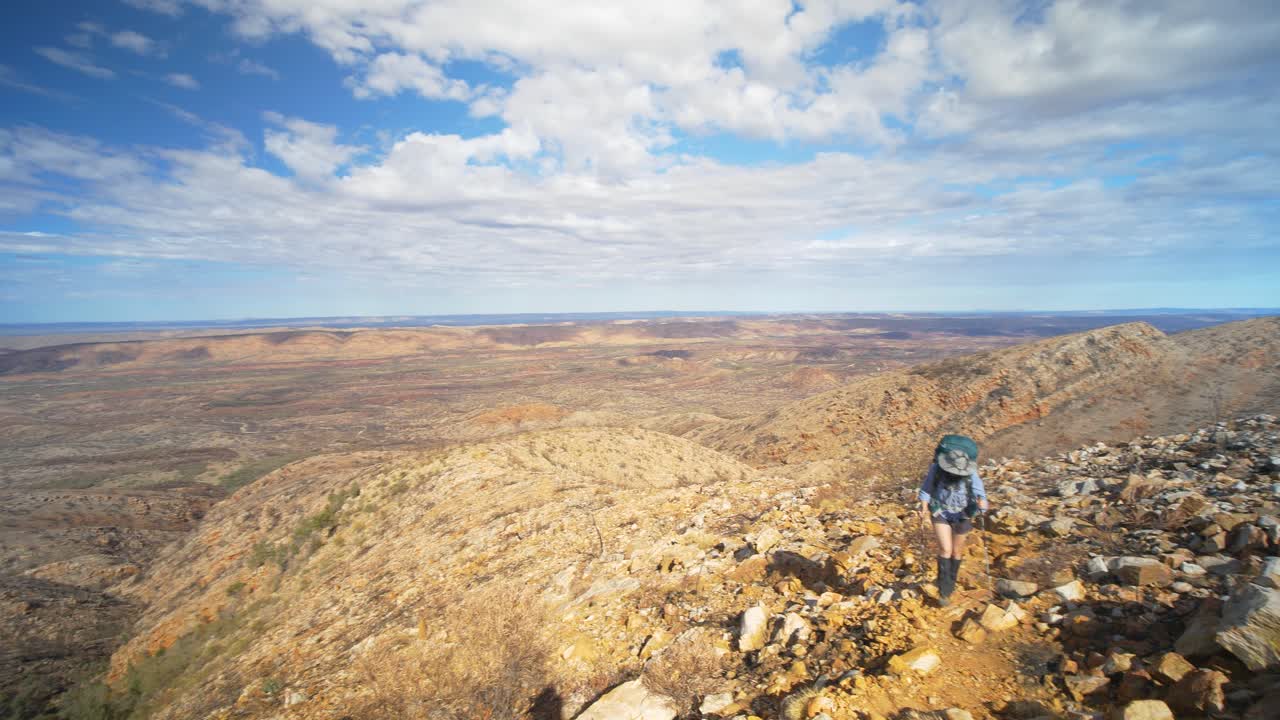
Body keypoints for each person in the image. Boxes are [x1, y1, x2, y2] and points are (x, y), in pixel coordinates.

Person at [918, 435, 989, 605]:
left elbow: (981, 496)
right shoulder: (936, 469)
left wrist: (982, 505)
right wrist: (924, 507)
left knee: (957, 552)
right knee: (945, 549)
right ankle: (944, 591)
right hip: (941, 511)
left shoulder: (971, 473)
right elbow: (926, 489)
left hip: (963, 514)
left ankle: (951, 581)